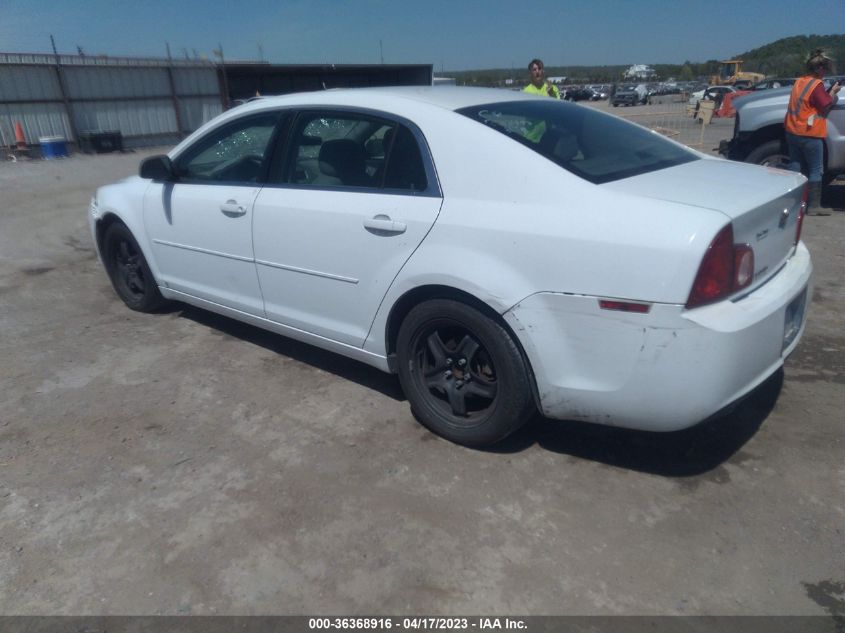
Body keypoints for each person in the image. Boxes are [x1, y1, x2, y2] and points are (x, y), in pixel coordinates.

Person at [784, 49, 841, 215]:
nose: (825, 73)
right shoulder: (817, 85)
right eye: (825, 69)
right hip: (810, 133)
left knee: (796, 165)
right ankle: (814, 206)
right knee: (816, 170)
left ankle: (793, 201)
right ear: (820, 69)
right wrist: (833, 93)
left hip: (793, 131)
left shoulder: (800, 81)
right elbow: (825, 104)